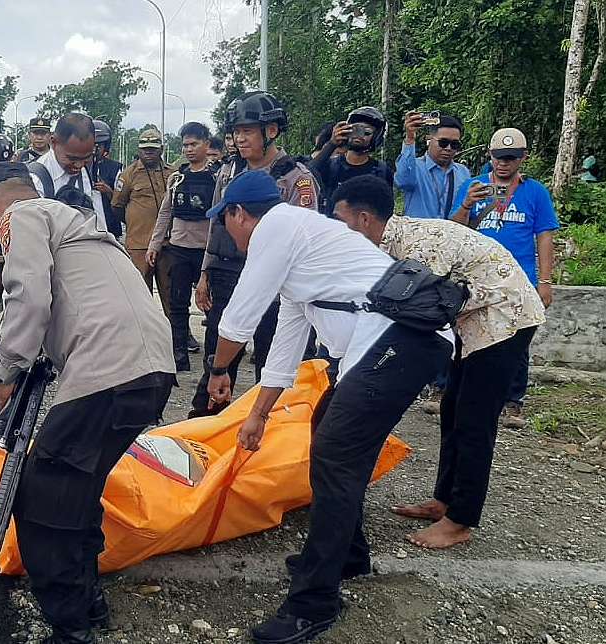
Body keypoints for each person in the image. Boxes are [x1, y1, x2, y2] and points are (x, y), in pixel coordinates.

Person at [203, 172, 453, 644]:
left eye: (227, 222)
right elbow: (285, 344)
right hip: (393, 342)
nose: (229, 234)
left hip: (404, 338)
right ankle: (349, 554)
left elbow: (239, 317)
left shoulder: (278, 226)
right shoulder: (305, 252)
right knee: (326, 431)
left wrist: (218, 370)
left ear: (239, 214)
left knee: (336, 456)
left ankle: (314, 603)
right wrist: (257, 414)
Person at [0, 162, 175, 644]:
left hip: (107, 370)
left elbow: (27, 297)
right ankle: (88, 603)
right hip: (152, 368)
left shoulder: (18, 215)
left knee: (44, 496)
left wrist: (6, 366)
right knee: (78, 489)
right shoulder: (81, 224)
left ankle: (70, 626)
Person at [333, 175, 546, 551]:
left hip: (504, 321)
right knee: (453, 412)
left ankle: (461, 520)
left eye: (341, 218)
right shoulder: (395, 243)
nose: (339, 228)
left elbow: (412, 316)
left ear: (364, 218)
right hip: (475, 322)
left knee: (474, 423)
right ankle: (444, 502)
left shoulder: (420, 246)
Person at [190, 90, 318, 417]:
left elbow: (302, 239)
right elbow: (216, 227)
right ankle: (204, 432)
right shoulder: (227, 172)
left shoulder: (296, 179)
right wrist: (205, 274)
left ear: (270, 131)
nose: (240, 139)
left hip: (274, 286)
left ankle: (268, 433)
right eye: (236, 132)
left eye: (248, 131)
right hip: (226, 274)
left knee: (272, 363)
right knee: (217, 361)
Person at [451, 127, 558, 429]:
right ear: (490, 155)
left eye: (510, 158)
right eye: (499, 157)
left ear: (523, 158)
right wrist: (467, 204)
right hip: (476, 278)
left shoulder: (534, 192)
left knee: (517, 341)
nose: (503, 164)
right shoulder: (474, 186)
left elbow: (544, 236)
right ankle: (460, 392)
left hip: (518, 280)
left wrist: (545, 282)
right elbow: (456, 231)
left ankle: (513, 402)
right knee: (467, 336)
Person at [146, 122, 215, 371]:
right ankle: (178, 356)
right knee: (177, 304)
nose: (189, 149)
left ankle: (214, 357)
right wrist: (155, 243)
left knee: (212, 306)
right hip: (179, 249)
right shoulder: (177, 177)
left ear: (207, 144)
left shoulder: (217, 176)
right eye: (185, 144)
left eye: (194, 144)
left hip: (208, 251)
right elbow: (166, 212)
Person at [112, 128, 174, 312]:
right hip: (139, 245)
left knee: (172, 295)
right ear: (138, 150)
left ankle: (178, 335)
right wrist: (134, 224)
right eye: (145, 149)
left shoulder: (173, 173)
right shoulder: (128, 175)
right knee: (140, 296)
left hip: (167, 245)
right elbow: (117, 206)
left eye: (153, 149)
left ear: (161, 149)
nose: (148, 152)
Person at [29, 113, 108, 229]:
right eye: (72, 158)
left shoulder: (85, 172)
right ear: (53, 143)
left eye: (86, 158)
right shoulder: (36, 179)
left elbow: (97, 222)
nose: (79, 165)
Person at [310, 106, 393, 216]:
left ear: (377, 137)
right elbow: (306, 176)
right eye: (355, 130)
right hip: (334, 229)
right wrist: (332, 143)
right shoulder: (331, 166)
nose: (358, 136)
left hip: (366, 230)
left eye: (366, 132)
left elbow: (386, 209)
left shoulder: (382, 171)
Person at [395, 112, 470, 219]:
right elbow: (402, 181)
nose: (448, 148)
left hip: (451, 234)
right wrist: (410, 138)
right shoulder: (414, 167)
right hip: (419, 234)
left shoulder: (463, 172)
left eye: (454, 144)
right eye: (443, 142)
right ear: (429, 140)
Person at [90, 119, 123, 239]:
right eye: (93, 144)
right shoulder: (76, 166)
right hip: (86, 228)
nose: (95, 148)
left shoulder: (115, 168)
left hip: (110, 229)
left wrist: (109, 192)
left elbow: (123, 201)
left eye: (100, 145)